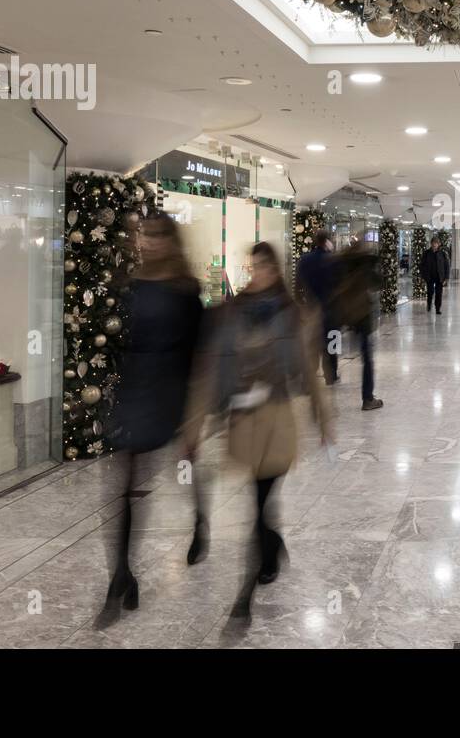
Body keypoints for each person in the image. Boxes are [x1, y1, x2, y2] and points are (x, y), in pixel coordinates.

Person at [206, 242, 333, 620]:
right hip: (244, 419)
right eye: (253, 266)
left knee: (261, 498)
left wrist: (324, 422)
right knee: (257, 500)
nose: (258, 272)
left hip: (276, 418)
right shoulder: (233, 312)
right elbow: (215, 367)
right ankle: (273, 543)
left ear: (276, 270)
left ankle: (246, 591)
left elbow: (308, 373)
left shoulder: (291, 315)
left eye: (265, 266)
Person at [98, 214, 204, 626]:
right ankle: (121, 575)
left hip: (172, 387)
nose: (149, 243)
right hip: (138, 387)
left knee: (186, 466)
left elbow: (198, 352)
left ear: (171, 240)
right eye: (146, 235)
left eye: (157, 236)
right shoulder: (133, 284)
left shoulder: (185, 290)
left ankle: (201, 521)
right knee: (124, 487)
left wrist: (196, 412)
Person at [331, 241, 384, 410]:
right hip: (362, 317)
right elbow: (379, 283)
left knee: (332, 345)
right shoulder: (363, 266)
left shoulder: (341, 265)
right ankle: (367, 398)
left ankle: (331, 373)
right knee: (367, 358)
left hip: (344, 315)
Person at [297, 230, 338, 384]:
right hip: (331, 308)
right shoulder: (332, 260)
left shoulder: (305, 260)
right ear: (327, 241)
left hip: (311, 307)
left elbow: (298, 284)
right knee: (332, 341)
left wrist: (301, 303)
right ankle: (331, 374)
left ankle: (310, 374)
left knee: (312, 343)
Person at [421, 235, 450, 314]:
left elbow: (447, 266)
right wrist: (424, 276)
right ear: (431, 244)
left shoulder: (443, 254)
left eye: (436, 243)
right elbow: (422, 265)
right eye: (433, 243)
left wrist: (446, 278)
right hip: (429, 277)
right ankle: (429, 304)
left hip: (439, 277)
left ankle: (437, 308)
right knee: (430, 292)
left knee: (438, 293)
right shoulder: (426, 253)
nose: (434, 245)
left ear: (439, 244)